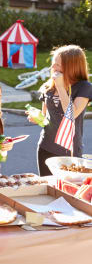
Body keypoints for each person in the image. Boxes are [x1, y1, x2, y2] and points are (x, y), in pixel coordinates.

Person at [28, 45, 92, 176]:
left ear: (71, 67)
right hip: (45, 145)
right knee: (47, 188)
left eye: (57, 65)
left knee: (67, 190)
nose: (53, 68)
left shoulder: (84, 87)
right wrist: (37, 118)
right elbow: (45, 118)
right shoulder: (48, 86)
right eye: (53, 64)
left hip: (69, 150)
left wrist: (61, 87)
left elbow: (72, 114)